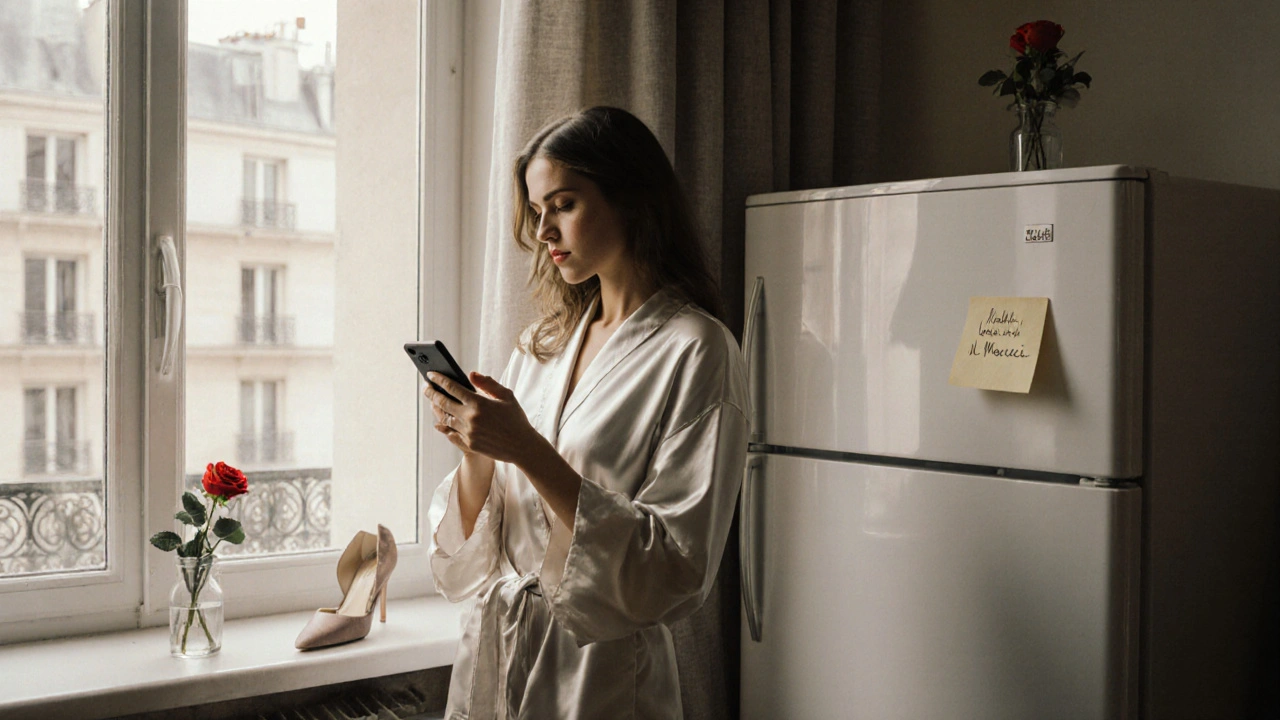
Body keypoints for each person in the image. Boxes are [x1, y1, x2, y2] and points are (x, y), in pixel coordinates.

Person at [425, 106, 749, 719]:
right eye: (536, 210)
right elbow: (481, 557)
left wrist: (525, 449)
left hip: (603, 680)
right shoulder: (543, 344)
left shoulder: (698, 350)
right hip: (503, 661)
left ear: (631, 198)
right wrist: (477, 452)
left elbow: (676, 566)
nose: (543, 230)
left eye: (564, 204)